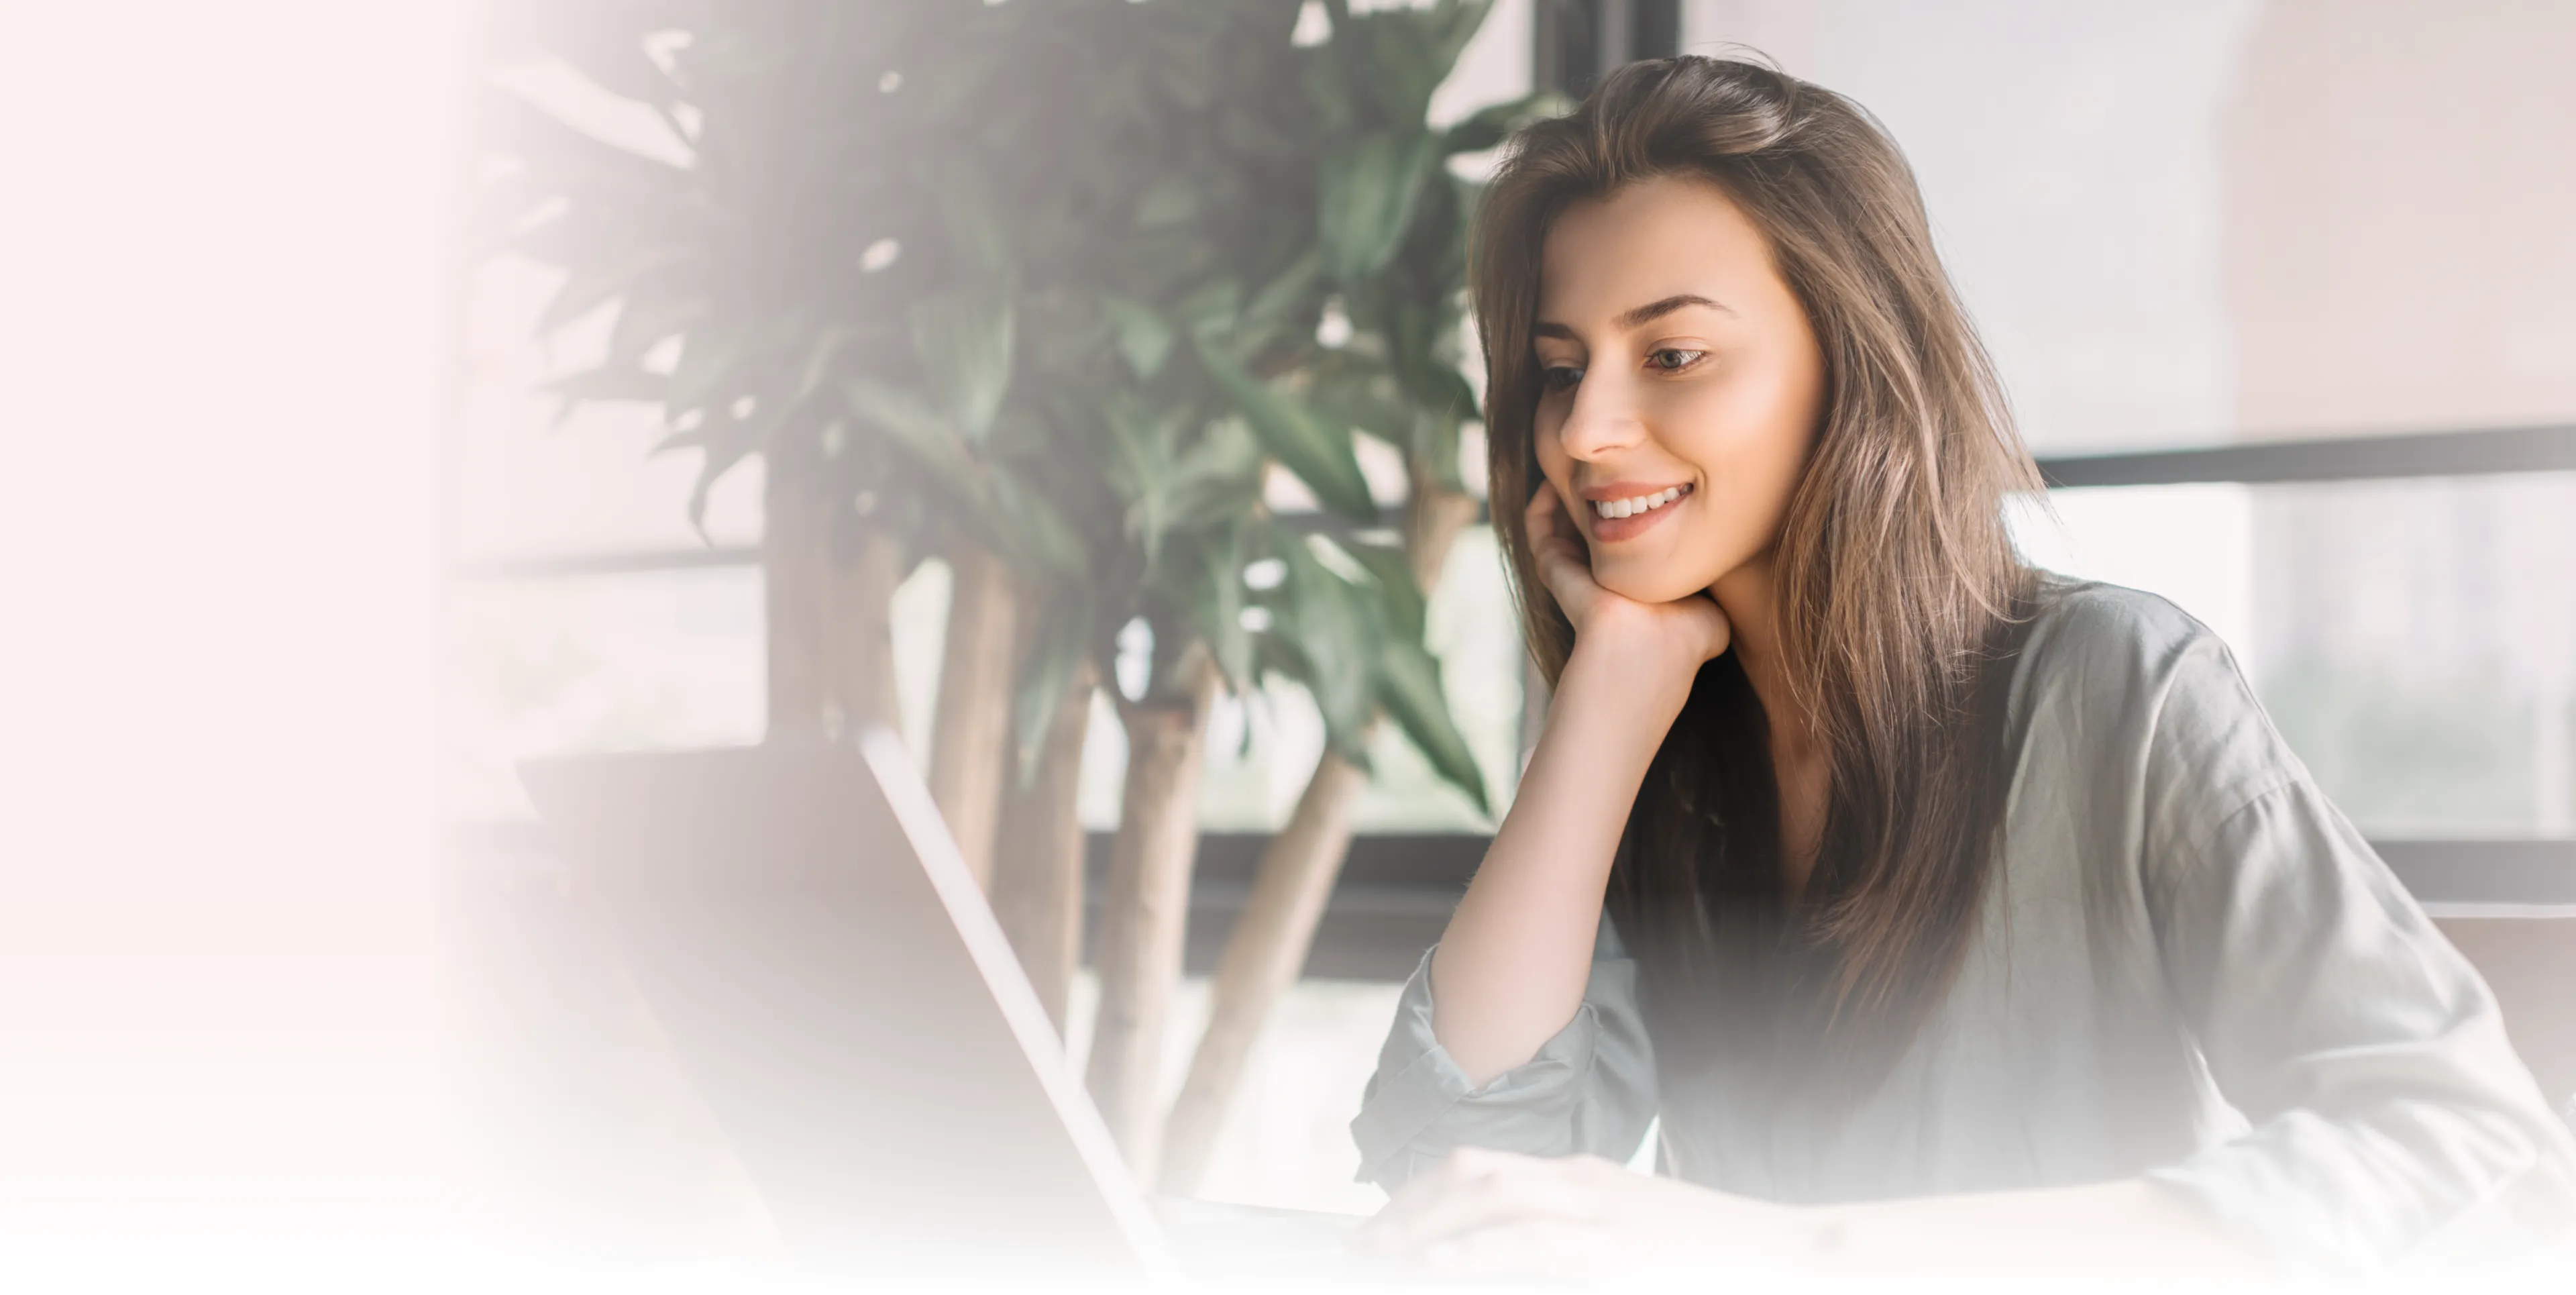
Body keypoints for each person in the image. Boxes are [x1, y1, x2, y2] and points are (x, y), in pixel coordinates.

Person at [1347, 55, 2576, 1282]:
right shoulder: (1661, 745)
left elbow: (2460, 1141)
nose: (1581, 431)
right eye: (1563, 370)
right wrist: (1605, 706)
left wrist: (1812, 1246)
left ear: (1852, 363)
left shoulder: (2123, 687)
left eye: (1672, 355)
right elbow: (1449, 1175)